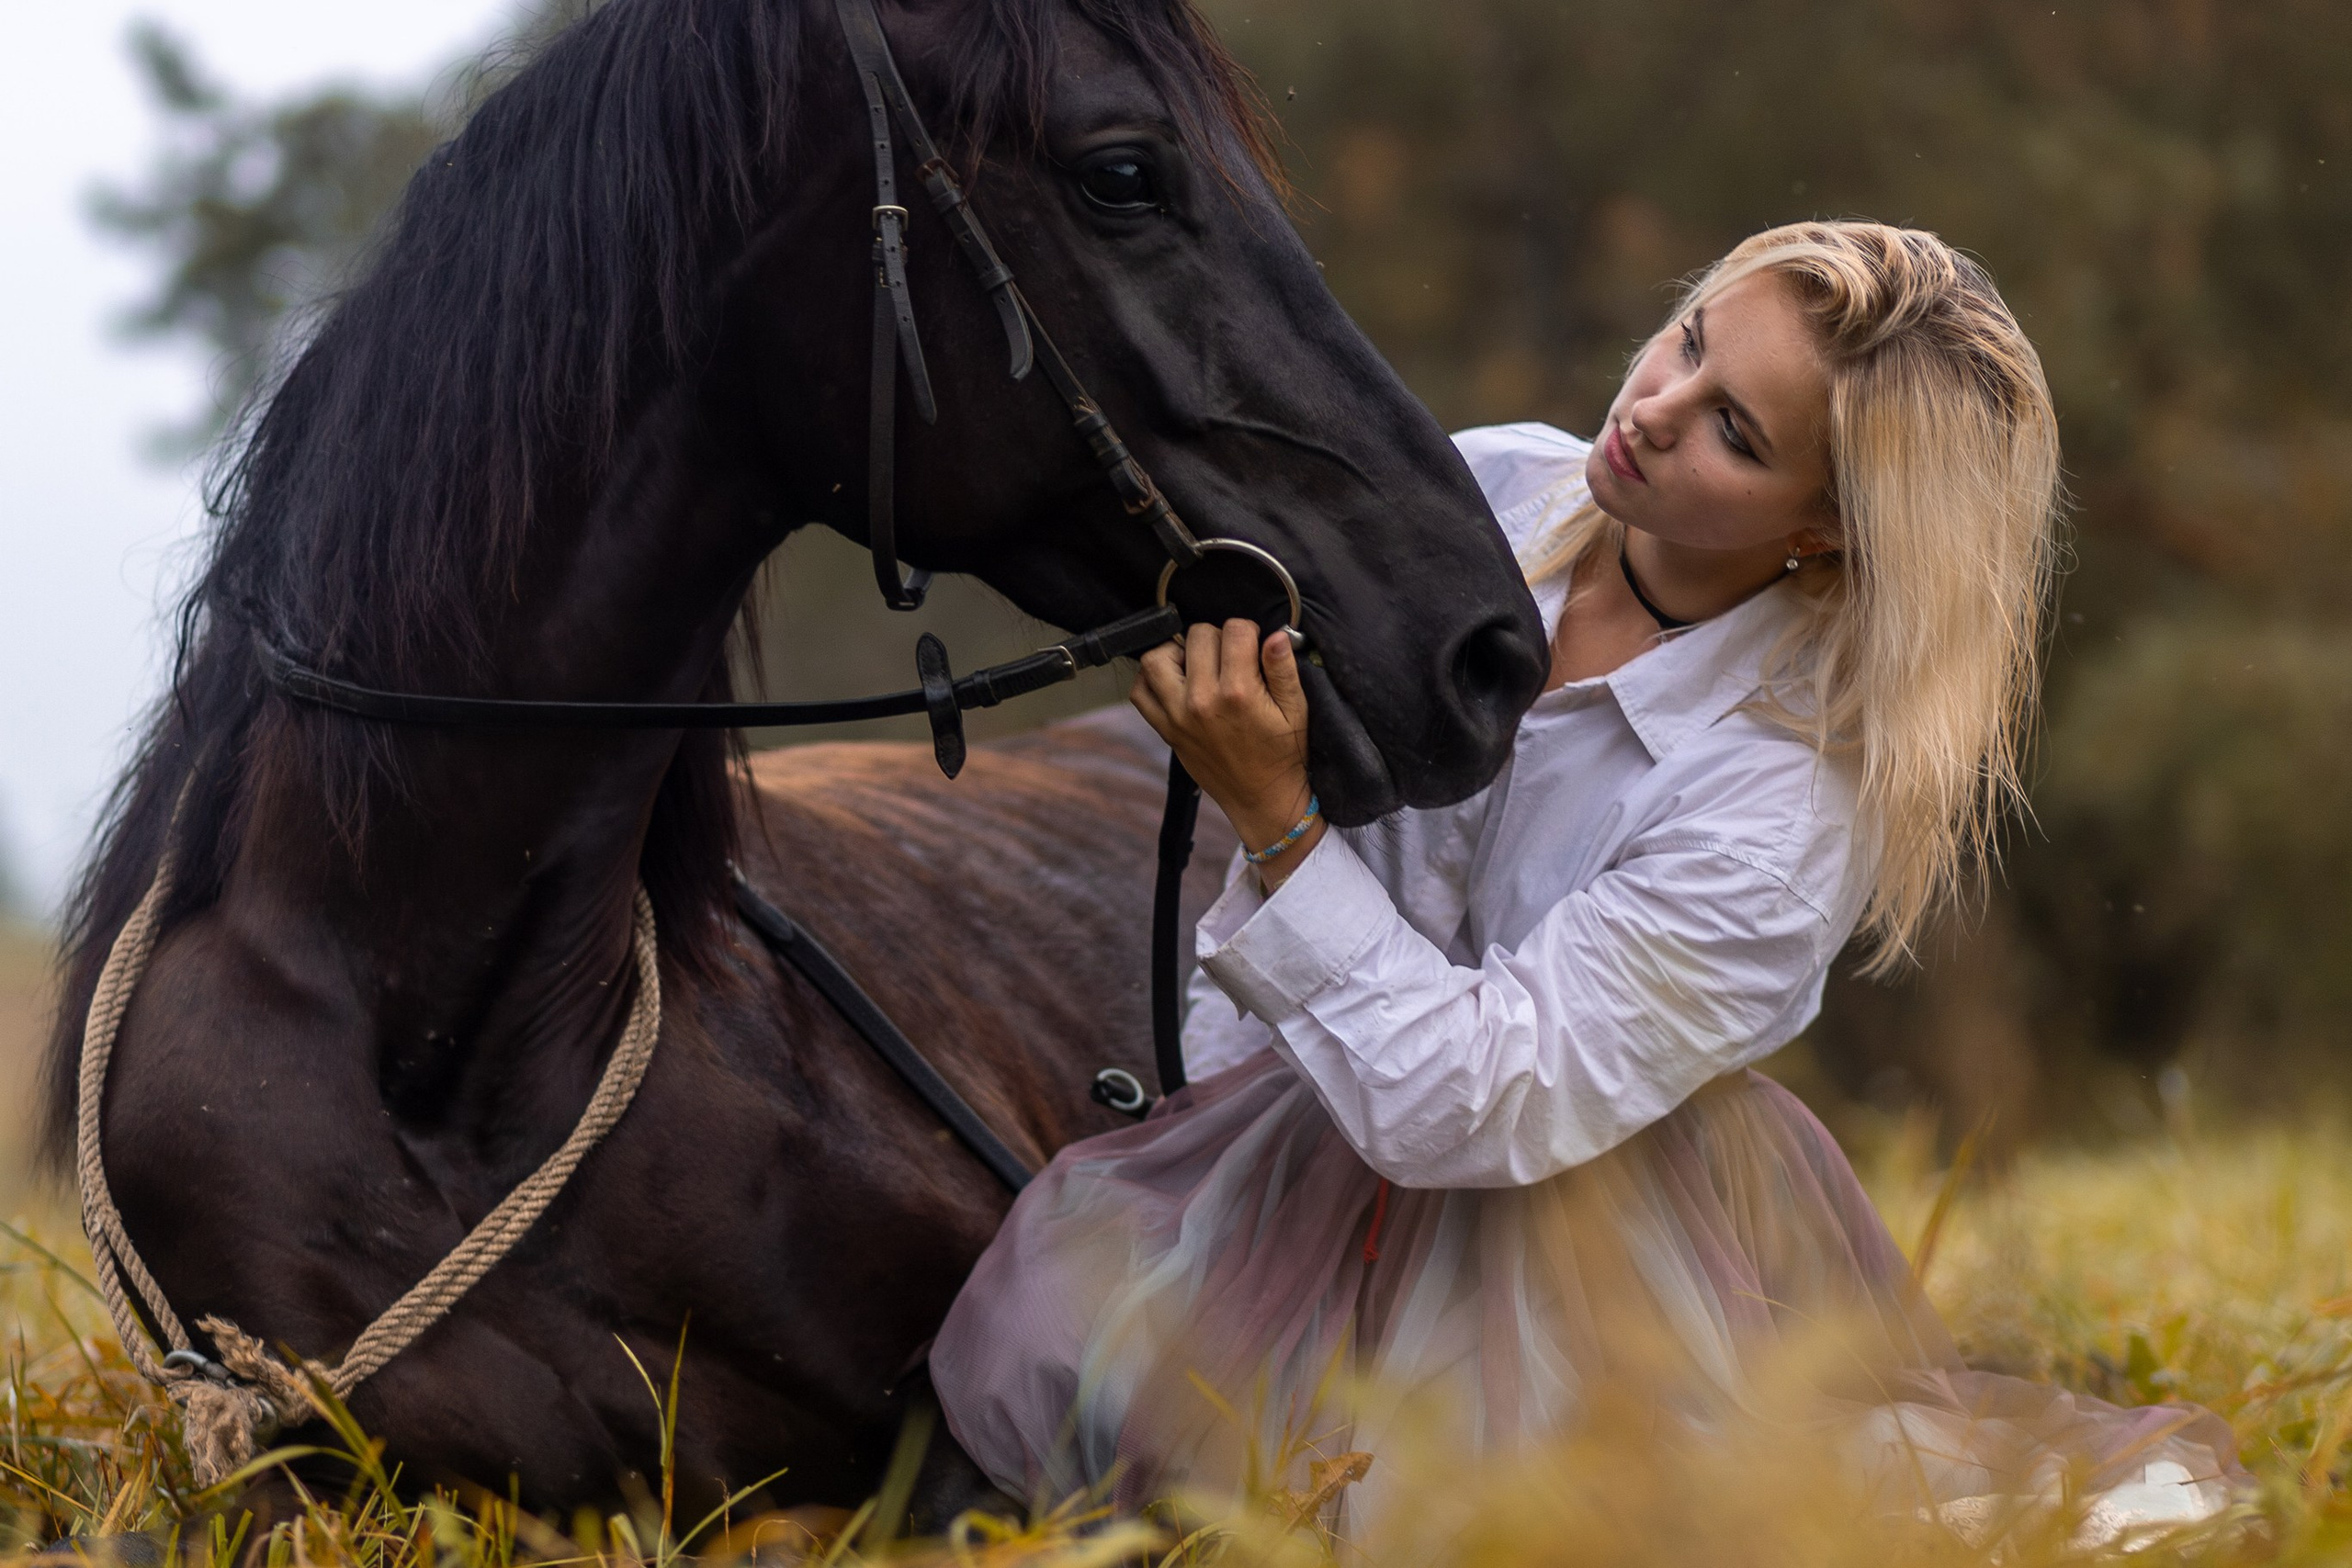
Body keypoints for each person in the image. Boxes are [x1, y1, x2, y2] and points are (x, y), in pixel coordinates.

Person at [928, 221, 2241, 1541]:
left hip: (1558, 1214)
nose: (1654, 412)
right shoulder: (1490, 493)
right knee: (1058, 1359)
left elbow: (1479, 1102)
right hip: (1311, 1118)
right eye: (1686, 342)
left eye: (1737, 431)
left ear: (1828, 531)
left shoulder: (1785, 806)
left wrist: (1276, 819)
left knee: (1491, 1514)